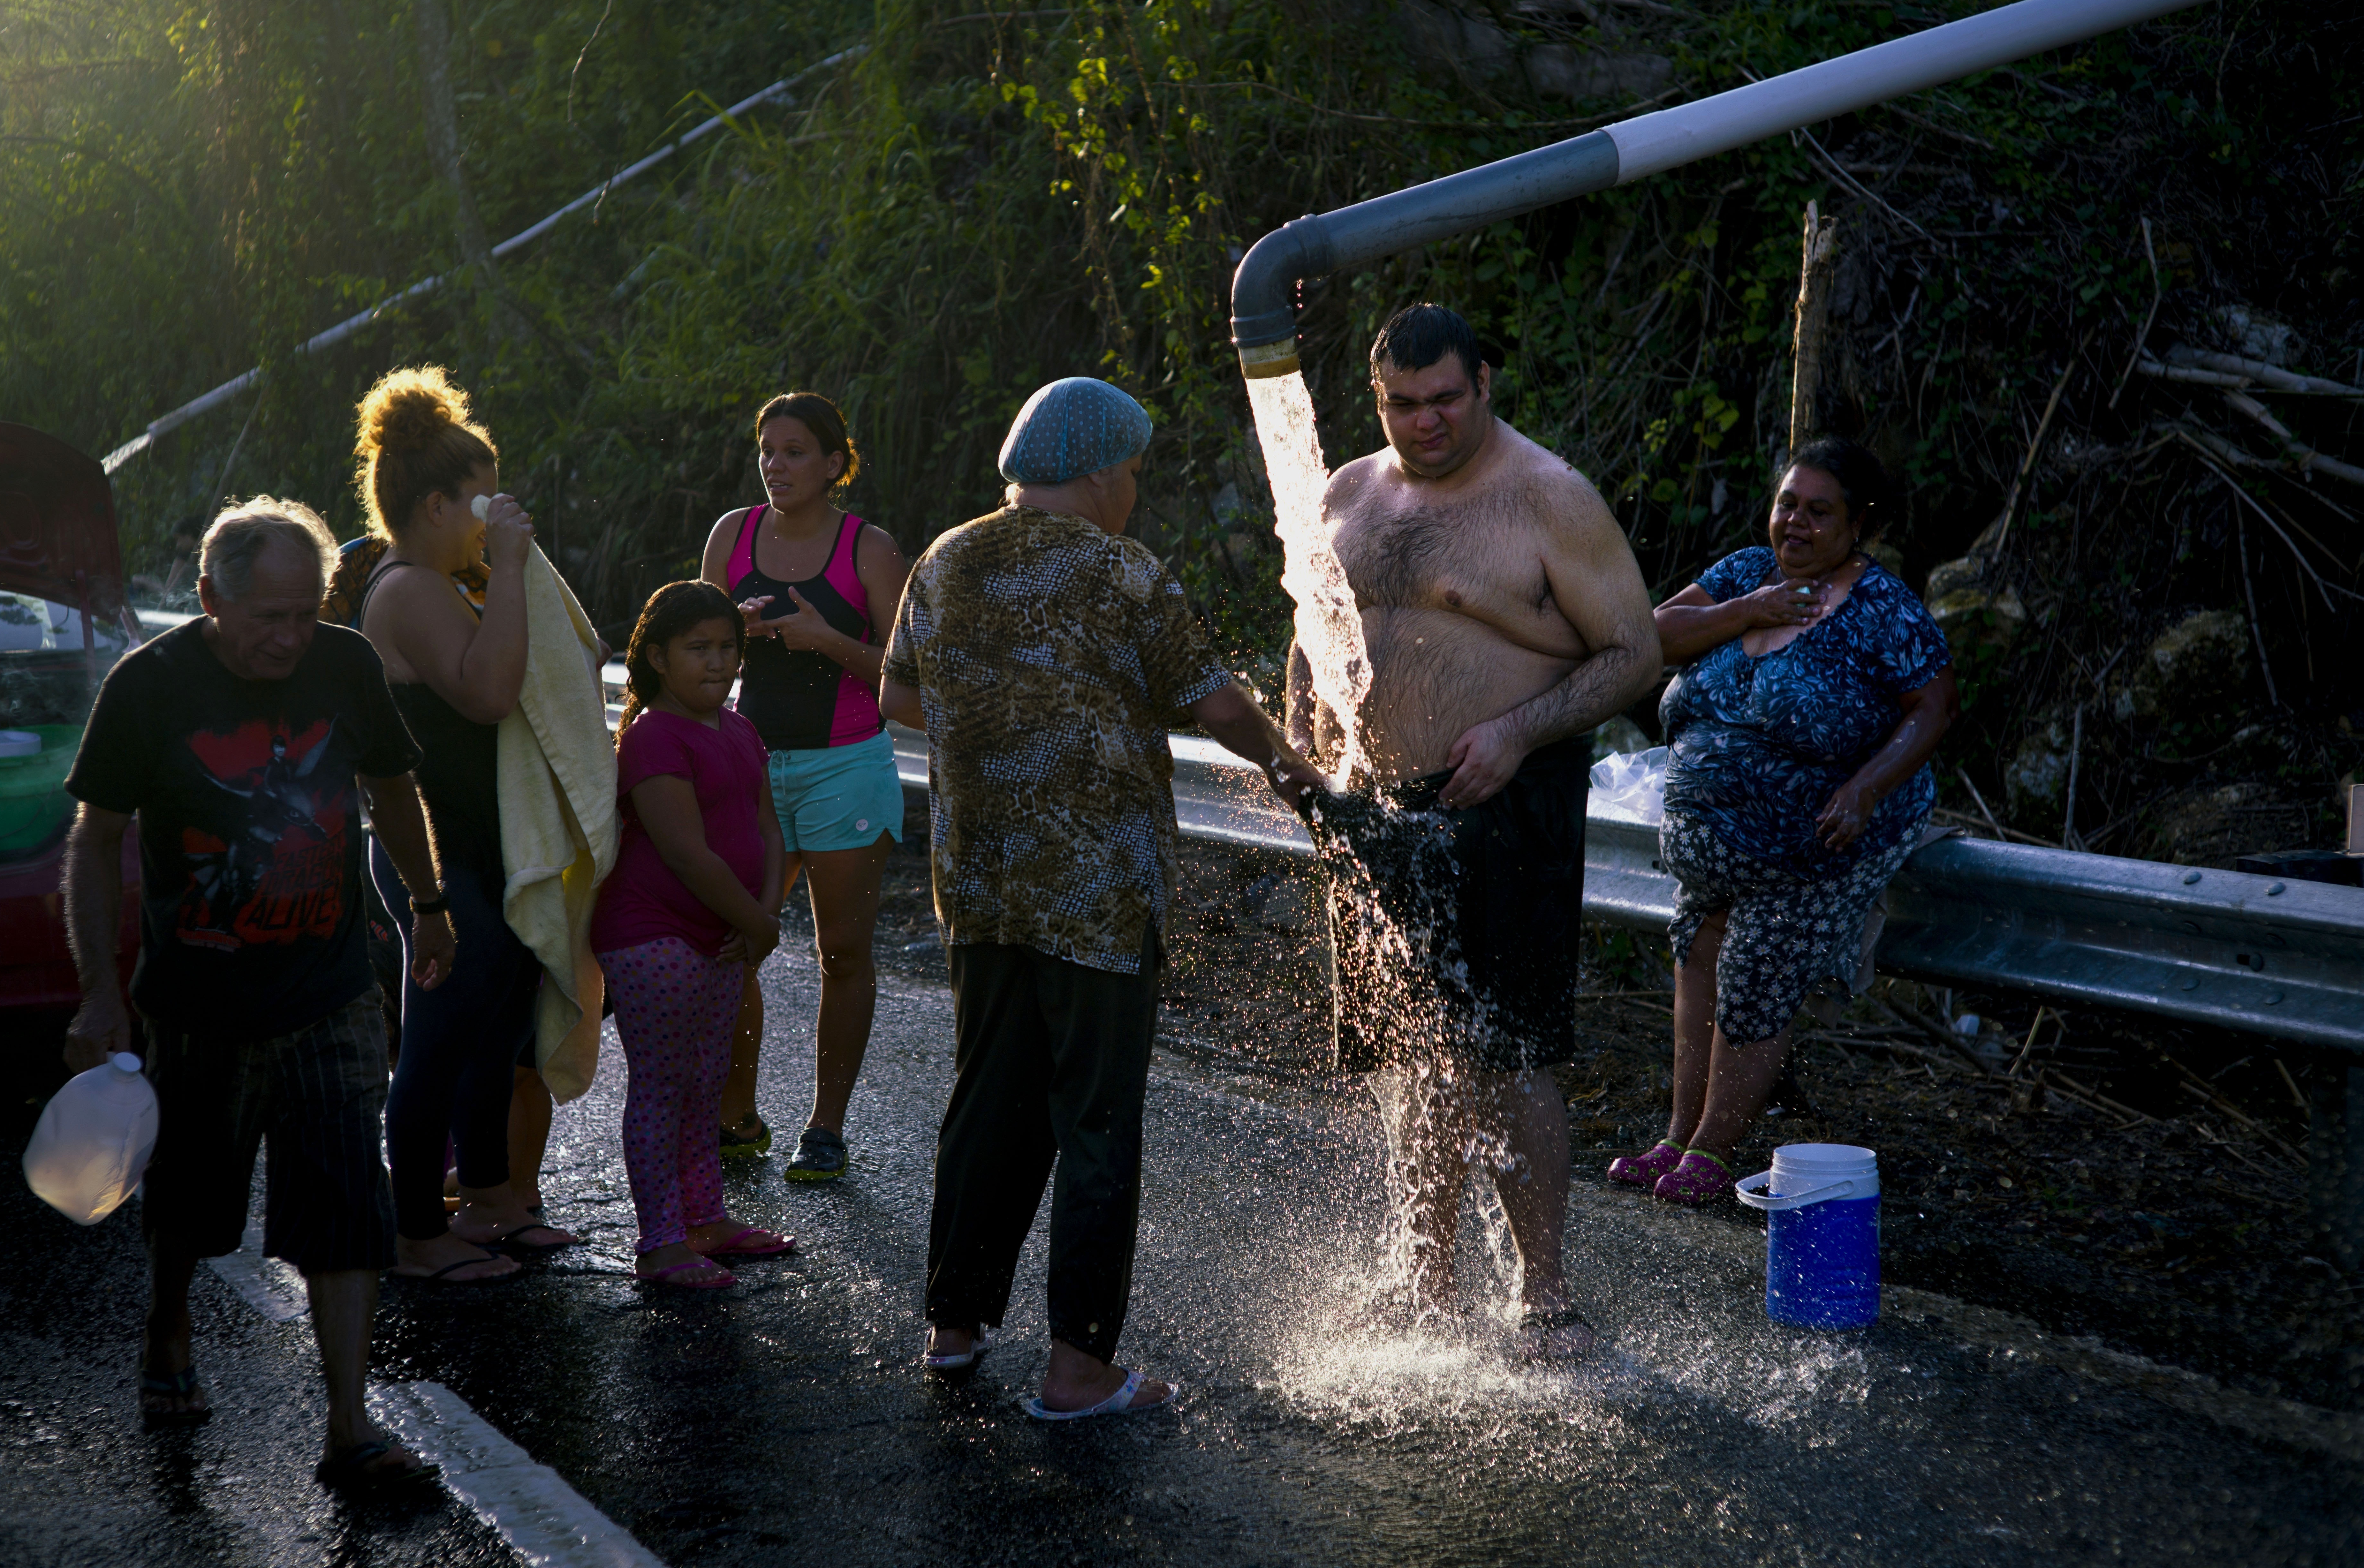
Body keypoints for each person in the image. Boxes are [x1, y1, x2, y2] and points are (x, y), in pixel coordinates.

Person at [887, 377, 1325, 1418]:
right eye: (1128, 470)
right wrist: (1299, 773)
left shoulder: (944, 558)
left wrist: (993, 725)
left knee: (986, 1105)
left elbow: (896, 697)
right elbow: (1214, 702)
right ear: (1091, 471)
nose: (1131, 488)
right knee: (1093, 1120)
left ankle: (953, 1329)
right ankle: (1078, 1366)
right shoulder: (1119, 573)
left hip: (982, 887)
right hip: (1097, 896)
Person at [1286, 304, 1661, 1355]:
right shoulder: (1348, 491)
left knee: (1507, 1051)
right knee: (1412, 1051)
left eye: (1445, 397)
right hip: (1377, 807)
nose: (1425, 420)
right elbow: (1310, 628)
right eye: (1402, 403)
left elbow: (1632, 652)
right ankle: (1425, 1276)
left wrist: (1514, 727)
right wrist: (1308, 756)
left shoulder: (1546, 497)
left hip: (1505, 795)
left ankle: (1544, 1295)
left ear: (1484, 382)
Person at [61, 499, 452, 1488]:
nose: (288, 637)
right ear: (207, 598)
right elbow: (96, 839)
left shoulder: (346, 664)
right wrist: (101, 994)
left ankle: (349, 1426)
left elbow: (392, 784)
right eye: (265, 617)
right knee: (190, 1205)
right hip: (197, 1005)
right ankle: (168, 1320)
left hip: (328, 988)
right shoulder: (148, 688)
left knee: (345, 1202)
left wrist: (430, 902)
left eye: (305, 613)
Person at [1609, 438, 1958, 1204]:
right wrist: (1749, 610)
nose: (1795, 523)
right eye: (1786, 504)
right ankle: (1675, 1134)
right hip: (1713, 847)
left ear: (1857, 523)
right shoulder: (1743, 573)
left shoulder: (1880, 609)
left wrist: (1865, 786)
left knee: (1753, 969)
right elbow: (1652, 638)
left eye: (1818, 511)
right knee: (1697, 950)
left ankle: (1713, 1147)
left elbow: (1933, 705)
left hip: (1811, 844)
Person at [352, 366, 576, 1281]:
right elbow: (487, 693)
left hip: (486, 845)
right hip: (431, 857)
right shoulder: (406, 587)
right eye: (481, 497)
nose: (493, 515)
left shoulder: (445, 579)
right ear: (438, 502)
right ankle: (415, 1232)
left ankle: (489, 1198)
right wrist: (516, 566)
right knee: (440, 1038)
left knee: (495, 1025)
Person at [700, 393, 909, 1183]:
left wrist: (827, 639)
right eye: (767, 450)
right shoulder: (733, 534)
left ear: (832, 464)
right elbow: (696, 646)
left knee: (843, 951)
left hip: (845, 764)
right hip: (749, 762)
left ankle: (824, 1127)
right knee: (734, 941)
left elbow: (908, 674)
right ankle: (736, 1116)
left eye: (794, 452)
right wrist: (733, 633)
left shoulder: (870, 548)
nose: (776, 465)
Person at [591, 581, 797, 1288]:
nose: (716, 663)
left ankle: (704, 1219)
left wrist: (763, 916)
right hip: (655, 936)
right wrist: (756, 921)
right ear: (655, 656)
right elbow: (686, 853)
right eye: (697, 649)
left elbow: (768, 829)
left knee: (707, 1082)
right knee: (661, 1084)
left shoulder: (739, 728)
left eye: (727, 649)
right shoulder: (653, 736)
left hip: (728, 933)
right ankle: (660, 1243)